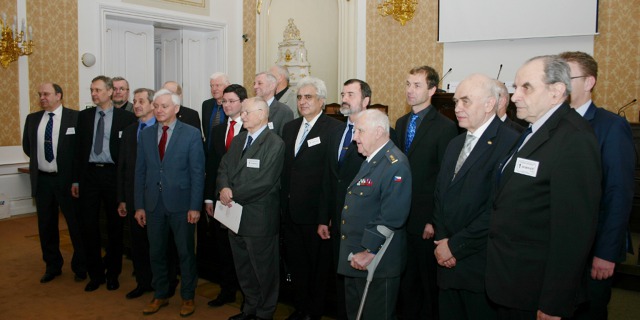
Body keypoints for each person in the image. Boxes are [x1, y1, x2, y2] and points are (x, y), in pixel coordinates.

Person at [486, 55, 601, 319]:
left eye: (526, 87)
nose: (515, 97)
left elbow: (574, 232)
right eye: (516, 87)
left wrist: (554, 302)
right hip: (512, 280)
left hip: (537, 290)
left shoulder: (574, 139)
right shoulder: (532, 131)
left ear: (557, 91)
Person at [432, 74, 518, 320]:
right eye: (456, 101)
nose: (457, 108)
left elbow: (498, 208)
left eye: (465, 101)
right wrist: (442, 241)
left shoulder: (511, 143)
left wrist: (455, 246)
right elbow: (440, 196)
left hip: (480, 266)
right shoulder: (455, 143)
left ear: (490, 104)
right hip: (446, 262)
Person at [559, 51, 635, 319]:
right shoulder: (551, 125)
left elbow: (619, 193)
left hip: (594, 250)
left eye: (567, 77)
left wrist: (606, 252)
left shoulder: (611, 127)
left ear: (589, 82)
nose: (560, 84)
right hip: (558, 246)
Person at [134, 89, 205, 317]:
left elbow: (197, 172)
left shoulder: (192, 134)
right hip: (153, 204)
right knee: (156, 252)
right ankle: (161, 294)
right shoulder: (145, 134)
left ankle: (187, 297)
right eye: (156, 106)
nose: (159, 110)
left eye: (164, 106)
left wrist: (195, 206)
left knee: (185, 253)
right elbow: (140, 172)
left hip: (182, 205)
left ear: (176, 108)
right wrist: (139, 205)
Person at [396, 65, 457, 319]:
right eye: (408, 84)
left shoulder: (445, 127)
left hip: (426, 221)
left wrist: (434, 219)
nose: (410, 90)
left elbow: (445, 179)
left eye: (417, 85)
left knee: (427, 285)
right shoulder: (400, 123)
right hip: (400, 217)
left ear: (432, 89)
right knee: (405, 280)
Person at [338, 109, 412, 319]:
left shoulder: (395, 164)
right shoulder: (372, 160)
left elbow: (392, 216)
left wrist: (369, 251)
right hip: (355, 255)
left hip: (375, 260)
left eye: (360, 131)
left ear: (379, 131)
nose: (354, 138)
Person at [217, 97, 285, 320]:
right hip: (233, 215)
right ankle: (250, 308)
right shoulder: (239, 140)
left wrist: (233, 194)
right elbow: (224, 167)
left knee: (264, 270)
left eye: (246, 112)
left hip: (259, 218)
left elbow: (265, 182)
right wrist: (224, 187)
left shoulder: (275, 143)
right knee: (244, 268)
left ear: (262, 114)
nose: (242, 116)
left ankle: (265, 313)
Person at [281, 77, 342, 320]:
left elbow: (331, 176)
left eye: (308, 97)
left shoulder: (333, 129)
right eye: (299, 97)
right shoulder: (290, 127)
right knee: (297, 265)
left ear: (322, 101)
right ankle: (300, 307)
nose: (302, 102)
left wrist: (325, 216)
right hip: (290, 212)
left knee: (318, 268)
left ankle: (314, 312)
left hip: (316, 214)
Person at [72, 75, 136, 292]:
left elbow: (128, 156)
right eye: (92, 90)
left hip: (113, 177)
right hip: (89, 176)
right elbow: (78, 151)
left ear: (110, 92)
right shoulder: (85, 117)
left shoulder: (125, 119)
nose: (93, 94)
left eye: (98, 90)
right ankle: (95, 274)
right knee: (89, 226)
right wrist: (76, 180)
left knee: (115, 227)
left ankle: (113, 274)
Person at [318, 79, 372, 320]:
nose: (344, 98)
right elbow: (329, 179)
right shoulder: (336, 131)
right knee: (341, 279)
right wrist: (323, 217)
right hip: (336, 220)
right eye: (343, 93)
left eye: (351, 93)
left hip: (362, 223)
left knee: (360, 285)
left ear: (366, 101)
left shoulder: (377, 133)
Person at [22, 83, 86, 284]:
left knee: (75, 225)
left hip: (67, 181)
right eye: (40, 94)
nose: (42, 97)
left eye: (46, 94)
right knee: (46, 226)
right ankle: (52, 265)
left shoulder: (75, 117)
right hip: (43, 181)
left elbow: (80, 150)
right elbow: (27, 146)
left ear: (59, 95)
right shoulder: (32, 119)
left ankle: (80, 266)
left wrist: (75, 178)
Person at [203, 84, 247, 307]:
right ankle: (227, 291)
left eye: (232, 101)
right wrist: (209, 197)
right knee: (223, 249)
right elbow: (212, 164)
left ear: (242, 103)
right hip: (220, 198)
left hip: (244, 200)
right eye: (225, 101)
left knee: (243, 251)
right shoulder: (219, 129)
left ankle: (248, 297)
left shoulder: (250, 128)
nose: (227, 105)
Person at [116, 88, 156, 299]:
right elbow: (122, 166)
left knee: (159, 245)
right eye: (135, 101)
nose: (137, 104)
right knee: (138, 244)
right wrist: (122, 198)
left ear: (152, 104)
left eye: (141, 101)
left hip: (157, 198)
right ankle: (143, 282)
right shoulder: (130, 130)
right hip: (133, 197)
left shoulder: (162, 129)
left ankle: (161, 282)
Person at [253, 71, 294, 137]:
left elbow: (285, 140)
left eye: (259, 83)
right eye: (254, 83)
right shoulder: (252, 108)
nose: (255, 86)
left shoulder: (284, 111)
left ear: (272, 86)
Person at [202, 72, 230, 150]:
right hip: (209, 153)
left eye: (218, 85)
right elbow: (206, 131)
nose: (214, 89)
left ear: (227, 86)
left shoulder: (232, 106)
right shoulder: (206, 105)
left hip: (226, 152)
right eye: (211, 86)